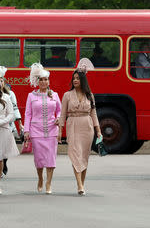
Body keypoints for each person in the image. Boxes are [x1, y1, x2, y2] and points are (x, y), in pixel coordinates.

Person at [56, 58, 102, 196]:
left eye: (77, 78)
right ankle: (79, 184)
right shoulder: (67, 95)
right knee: (75, 154)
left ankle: (82, 182)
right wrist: (60, 131)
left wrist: (98, 131)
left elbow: (94, 113)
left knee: (84, 156)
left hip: (87, 126)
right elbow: (63, 115)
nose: (75, 80)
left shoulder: (90, 95)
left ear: (83, 80)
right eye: (73, 78)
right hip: (73, 125)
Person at [23, 63, 61, 194]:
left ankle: (48, 183)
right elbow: (28, 114)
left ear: (48, 81)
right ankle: (40, 179)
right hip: (36, 131)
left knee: (51, 158)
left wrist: (58, 118)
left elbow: (60, 111)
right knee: (39, 159)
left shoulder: (54, 95)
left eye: (46, 79)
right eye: (41, 79)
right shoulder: (31, 96)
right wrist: (26, 131)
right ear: (37, 81)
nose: (44, 82)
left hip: (52, 130)